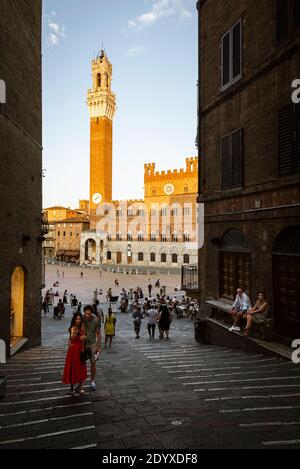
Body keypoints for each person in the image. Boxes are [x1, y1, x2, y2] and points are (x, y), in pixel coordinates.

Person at [62, 313, 87, 395]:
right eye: (77, 319)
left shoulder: (82, 326)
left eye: (79, 319)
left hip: (80, 348)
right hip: (73, 350)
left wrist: (83, 346)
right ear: (74, 319)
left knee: (81, 367)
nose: (78, 320)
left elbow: (84, 338)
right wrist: (74, 335)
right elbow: (72, 338)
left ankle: (80, 386)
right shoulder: (73, 327)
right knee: (73, 367)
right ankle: (72, 388)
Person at [83, 305, 101, 391]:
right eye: (86, 314)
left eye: (89, 314)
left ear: (92, 313)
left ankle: (92, 381)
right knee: (81, 362)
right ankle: (80, 381)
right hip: (83, 343)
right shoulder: (82, 319)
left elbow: (98, 334)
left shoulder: (96, 320)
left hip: (93, 343)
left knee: (93, 363)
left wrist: (98, 346)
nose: (87, 316)